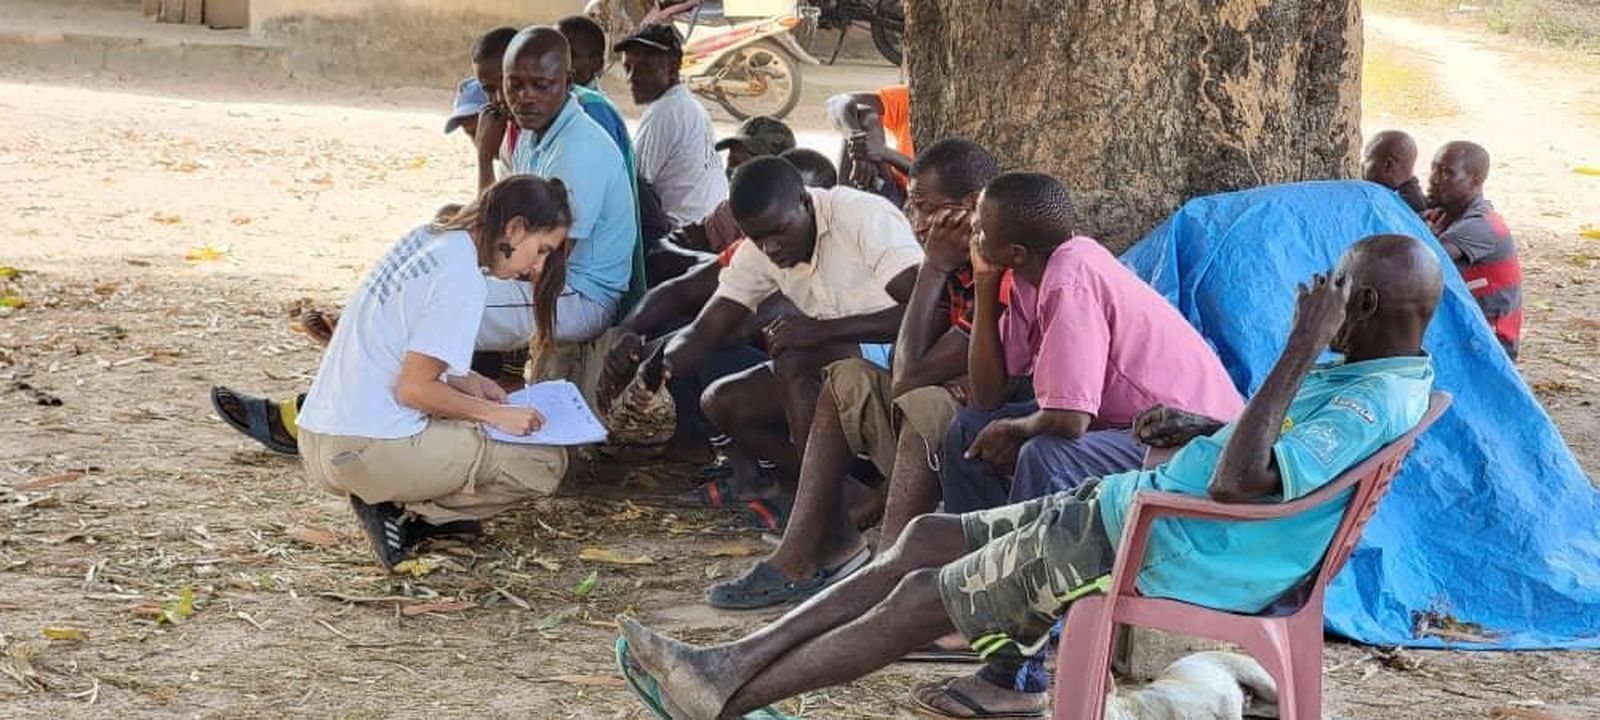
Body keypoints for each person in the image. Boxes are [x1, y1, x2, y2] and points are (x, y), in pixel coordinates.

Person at [615, 232, 1442, 720]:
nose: (1317, 295)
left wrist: (1299, 347)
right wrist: (1204, 425)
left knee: (919, 596)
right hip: (1144, 515)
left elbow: (1238, 487)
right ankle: (728, 664)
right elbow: (1263, 455)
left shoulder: (1360, 403)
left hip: (1168, 542)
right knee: (925, 535)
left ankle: (724, 695)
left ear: (1361, 308)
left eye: (1335, 286)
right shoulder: (1376, 376)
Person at [704, 138, 1001, 610]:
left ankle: (885, 579)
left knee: (924, 401)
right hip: (948, 421)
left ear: (969, 209)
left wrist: (934, 266)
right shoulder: (961, 273)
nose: (917, 224)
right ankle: (804, 555)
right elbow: (914, 362)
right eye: (912, 206)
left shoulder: (997, 270)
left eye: (926, 210)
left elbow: (908, 376)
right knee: (841, 376)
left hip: (991, 441)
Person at [297, 176, 575, 571]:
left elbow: (404, 348)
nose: (537, 267)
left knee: (477, 428)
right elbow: (415, 389)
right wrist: (496, 414)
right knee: (545, 463)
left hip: (317, 439)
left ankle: (393, 499)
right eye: (541, 250)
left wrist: (470, 382)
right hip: (365, 449)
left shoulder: (428, 238)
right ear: (514, 228)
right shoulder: (461, 276)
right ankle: (410, 514)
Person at [630, 157, 922, 524]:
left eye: (778, 232)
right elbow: (706, 330)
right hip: (834, 364)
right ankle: (842, 495)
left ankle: (819, 512)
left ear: (804, 201)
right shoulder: (762, 250)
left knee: (796, 354)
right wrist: (660, 366)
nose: (770, 248)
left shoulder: (860, 216)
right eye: (757, 238)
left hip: (898, 360)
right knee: (723, 402)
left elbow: (925, 311)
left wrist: (823, 330)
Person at [940, 174, 1243, 515]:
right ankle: (971, 550)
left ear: (1016, 252)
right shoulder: (1031, 276)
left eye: (980, 230)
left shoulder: (1070, 278)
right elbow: (988, 396)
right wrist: (984, 281)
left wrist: (1015, 429)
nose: (972, 236)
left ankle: (1021, 562)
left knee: (1045, 456)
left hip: (1192, 441)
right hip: (1126, 425)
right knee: (968, 430)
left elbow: (1070, 421)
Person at [477, 26, 640, 348]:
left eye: (541, 85)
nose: (525, 97)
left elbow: (547, 261)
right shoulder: (530, 134)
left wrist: (487, 269)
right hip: (540, 275)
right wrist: (485, 158)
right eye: (515, 84)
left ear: (567, 82)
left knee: (442, 305)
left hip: (578, 295)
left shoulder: (578, 148)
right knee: (440, 277)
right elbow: (494, 220)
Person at [618, 24, 729, 229]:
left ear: (672, 71)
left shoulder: (666, 111)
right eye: (628, 68)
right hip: (710, 226)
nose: (631, 78)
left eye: (646, 69)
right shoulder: (687, 104)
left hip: (683, 234)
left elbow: (633, 184)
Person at [1424, 140, 1522, 360]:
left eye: (1447, 173)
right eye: (1434, 168)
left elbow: (1418, 261)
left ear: (1474, 181)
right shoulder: (1442, 215)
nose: (1434, 178)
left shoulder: (1481, 226)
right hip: (1462, 330)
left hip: (1488, 345)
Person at [827, 85, 913, 204]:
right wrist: (855, 138)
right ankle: (842, 203)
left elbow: (935, 181)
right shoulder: (912, 98)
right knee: (865, 117)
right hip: (894, 192)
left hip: (928, 202)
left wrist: (884, 153)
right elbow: (837, 103)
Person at [1363, 129, 1428, 213]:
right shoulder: (1411, 197)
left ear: (1388, 165)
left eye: (1367, 159)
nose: (1362, 165)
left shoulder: (1398, 207)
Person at [557, 14, 609, 91]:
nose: (557, 61)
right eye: (553, 52)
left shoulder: (594, 102)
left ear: (596, 63)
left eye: (570, 55)